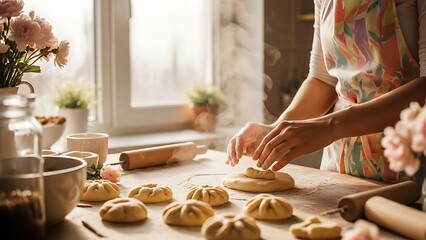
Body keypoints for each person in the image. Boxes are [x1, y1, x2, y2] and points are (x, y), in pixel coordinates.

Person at [226, 0, 426, 182]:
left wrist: (332, 126)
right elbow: (322, 79)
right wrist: (278, 130)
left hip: (409, 167)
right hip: (341, 168)